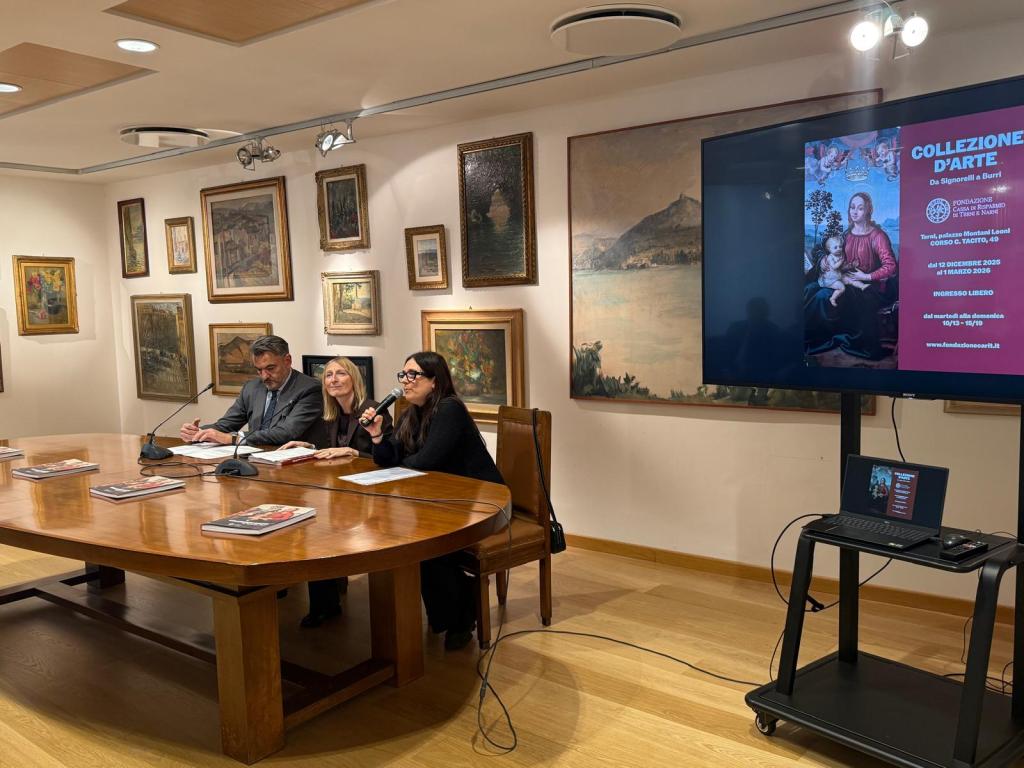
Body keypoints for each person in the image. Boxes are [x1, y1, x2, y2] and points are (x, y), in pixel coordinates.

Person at [360, 351, 503, 651]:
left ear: (434, 381)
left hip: (479, 499)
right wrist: (377, 436)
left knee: (428, 545)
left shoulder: (449, 409)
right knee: (414, 541)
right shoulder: (411, 412)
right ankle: (453, 614)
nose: (406, 381)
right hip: (441, 498)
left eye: (413, 375)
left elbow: (428, 461)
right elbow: (388, 458)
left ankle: (460, 616)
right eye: (403, 375)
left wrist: (399, 463)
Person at [277, 356, 394, 628]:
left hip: (373, 495)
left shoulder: (372, 409)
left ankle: (328, 603)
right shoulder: (330, 413)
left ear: (354, 379)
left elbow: (388, 457)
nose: (333, 380)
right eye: (328, 375)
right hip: (341, 493)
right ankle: (325, 604)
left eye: (340, 374)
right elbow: (327, 448)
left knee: (324, 530)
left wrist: (353, 452)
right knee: (314, 531)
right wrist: (306, 446)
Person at [180, 335, 321, 447]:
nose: (264, 376)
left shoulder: (309, 389)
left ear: (287, 361)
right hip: (253, 459)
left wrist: (234, 438)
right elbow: (227, 424)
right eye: (259, 370)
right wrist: (199, 432)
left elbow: (286, 432)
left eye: (270, 368)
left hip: (293, 464)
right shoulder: (252, 387)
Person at [804, 192, 897, 360]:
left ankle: (822, 340)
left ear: (868, 210)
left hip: (870, 286)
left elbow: (890, 266)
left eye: (860, 208)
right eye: (852, 207)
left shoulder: (878, 236)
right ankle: (808, 338)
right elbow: (832, 252)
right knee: (810, 289)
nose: (855, 211)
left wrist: (866, 276)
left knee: (823, 296)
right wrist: (824, 261)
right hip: (843, 278)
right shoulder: (846, 235)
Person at [817, 235, 868, 307]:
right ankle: (833, 298)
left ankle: (862, 286)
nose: (838, 249)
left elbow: (842, 268)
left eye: (840, 247)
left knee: (850, 279)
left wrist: (851, 265)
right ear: (829, 249)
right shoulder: (830, 257)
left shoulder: (841, 255)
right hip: (830, 279)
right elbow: (834, 267)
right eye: (835, 247)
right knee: (842, 288)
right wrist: (841, 261)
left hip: (838, 275)